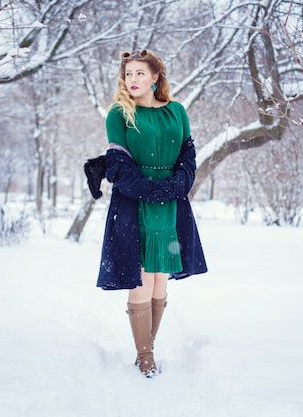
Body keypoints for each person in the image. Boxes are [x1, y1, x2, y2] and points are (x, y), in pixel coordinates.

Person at [92, 49, 207, 377]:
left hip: (172, 204)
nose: (133, 80)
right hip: (133, 204)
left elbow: (188, 157)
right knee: (141, 279)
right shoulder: (119, 114)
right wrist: (153, 190)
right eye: (128, 74)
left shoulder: (177, 111)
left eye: (140, 73)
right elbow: (117, 165)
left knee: (160, 281)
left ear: (156, 77)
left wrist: (175, 187)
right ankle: (145, 356)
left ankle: (149, 348)